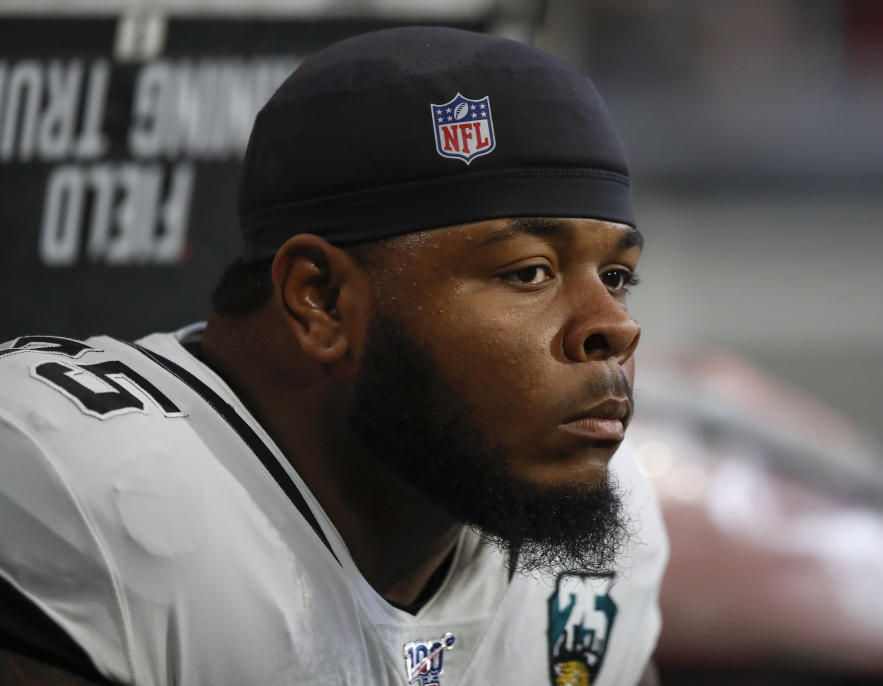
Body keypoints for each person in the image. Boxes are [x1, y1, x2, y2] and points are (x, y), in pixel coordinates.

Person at [0, 26, 667, 686]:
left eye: (616, 276)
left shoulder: (604, 518)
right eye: (529, 272)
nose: (614, 326)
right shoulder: (88, 486)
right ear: (320, 298)